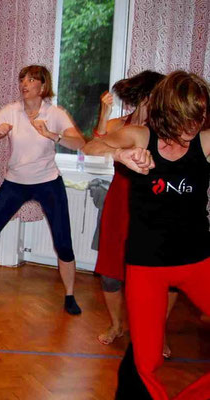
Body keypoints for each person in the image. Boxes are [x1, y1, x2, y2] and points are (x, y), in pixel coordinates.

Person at [84, 70, 210, 400]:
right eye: (186, 119)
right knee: (145, 361)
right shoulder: (140, 136)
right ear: (169, 110)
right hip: (146, 266)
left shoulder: (205, 142)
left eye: (198, 118)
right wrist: (119, 154)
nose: (192, 128)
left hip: (198, 259)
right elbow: (91, 146)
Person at [0, 65, 86, 315]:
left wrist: (52, 134)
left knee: (63, 244)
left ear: (43, 86)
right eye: (22, 79)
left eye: (31, 80)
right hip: (15, 183)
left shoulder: (55, 113)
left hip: (48, 183)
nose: (24, 84)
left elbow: (80, 143)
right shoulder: (10, 111)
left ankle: (70, 295)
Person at [91, 71, 178, 357]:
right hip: (120, 200)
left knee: (165, 275)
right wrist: (104, 113)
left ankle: (158, 331)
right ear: (142, 97)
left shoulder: (167, 129)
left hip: (155, 202)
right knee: (111, 274)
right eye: (151, 96)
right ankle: (117, 325)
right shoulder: (121, 124)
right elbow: (94, 147)